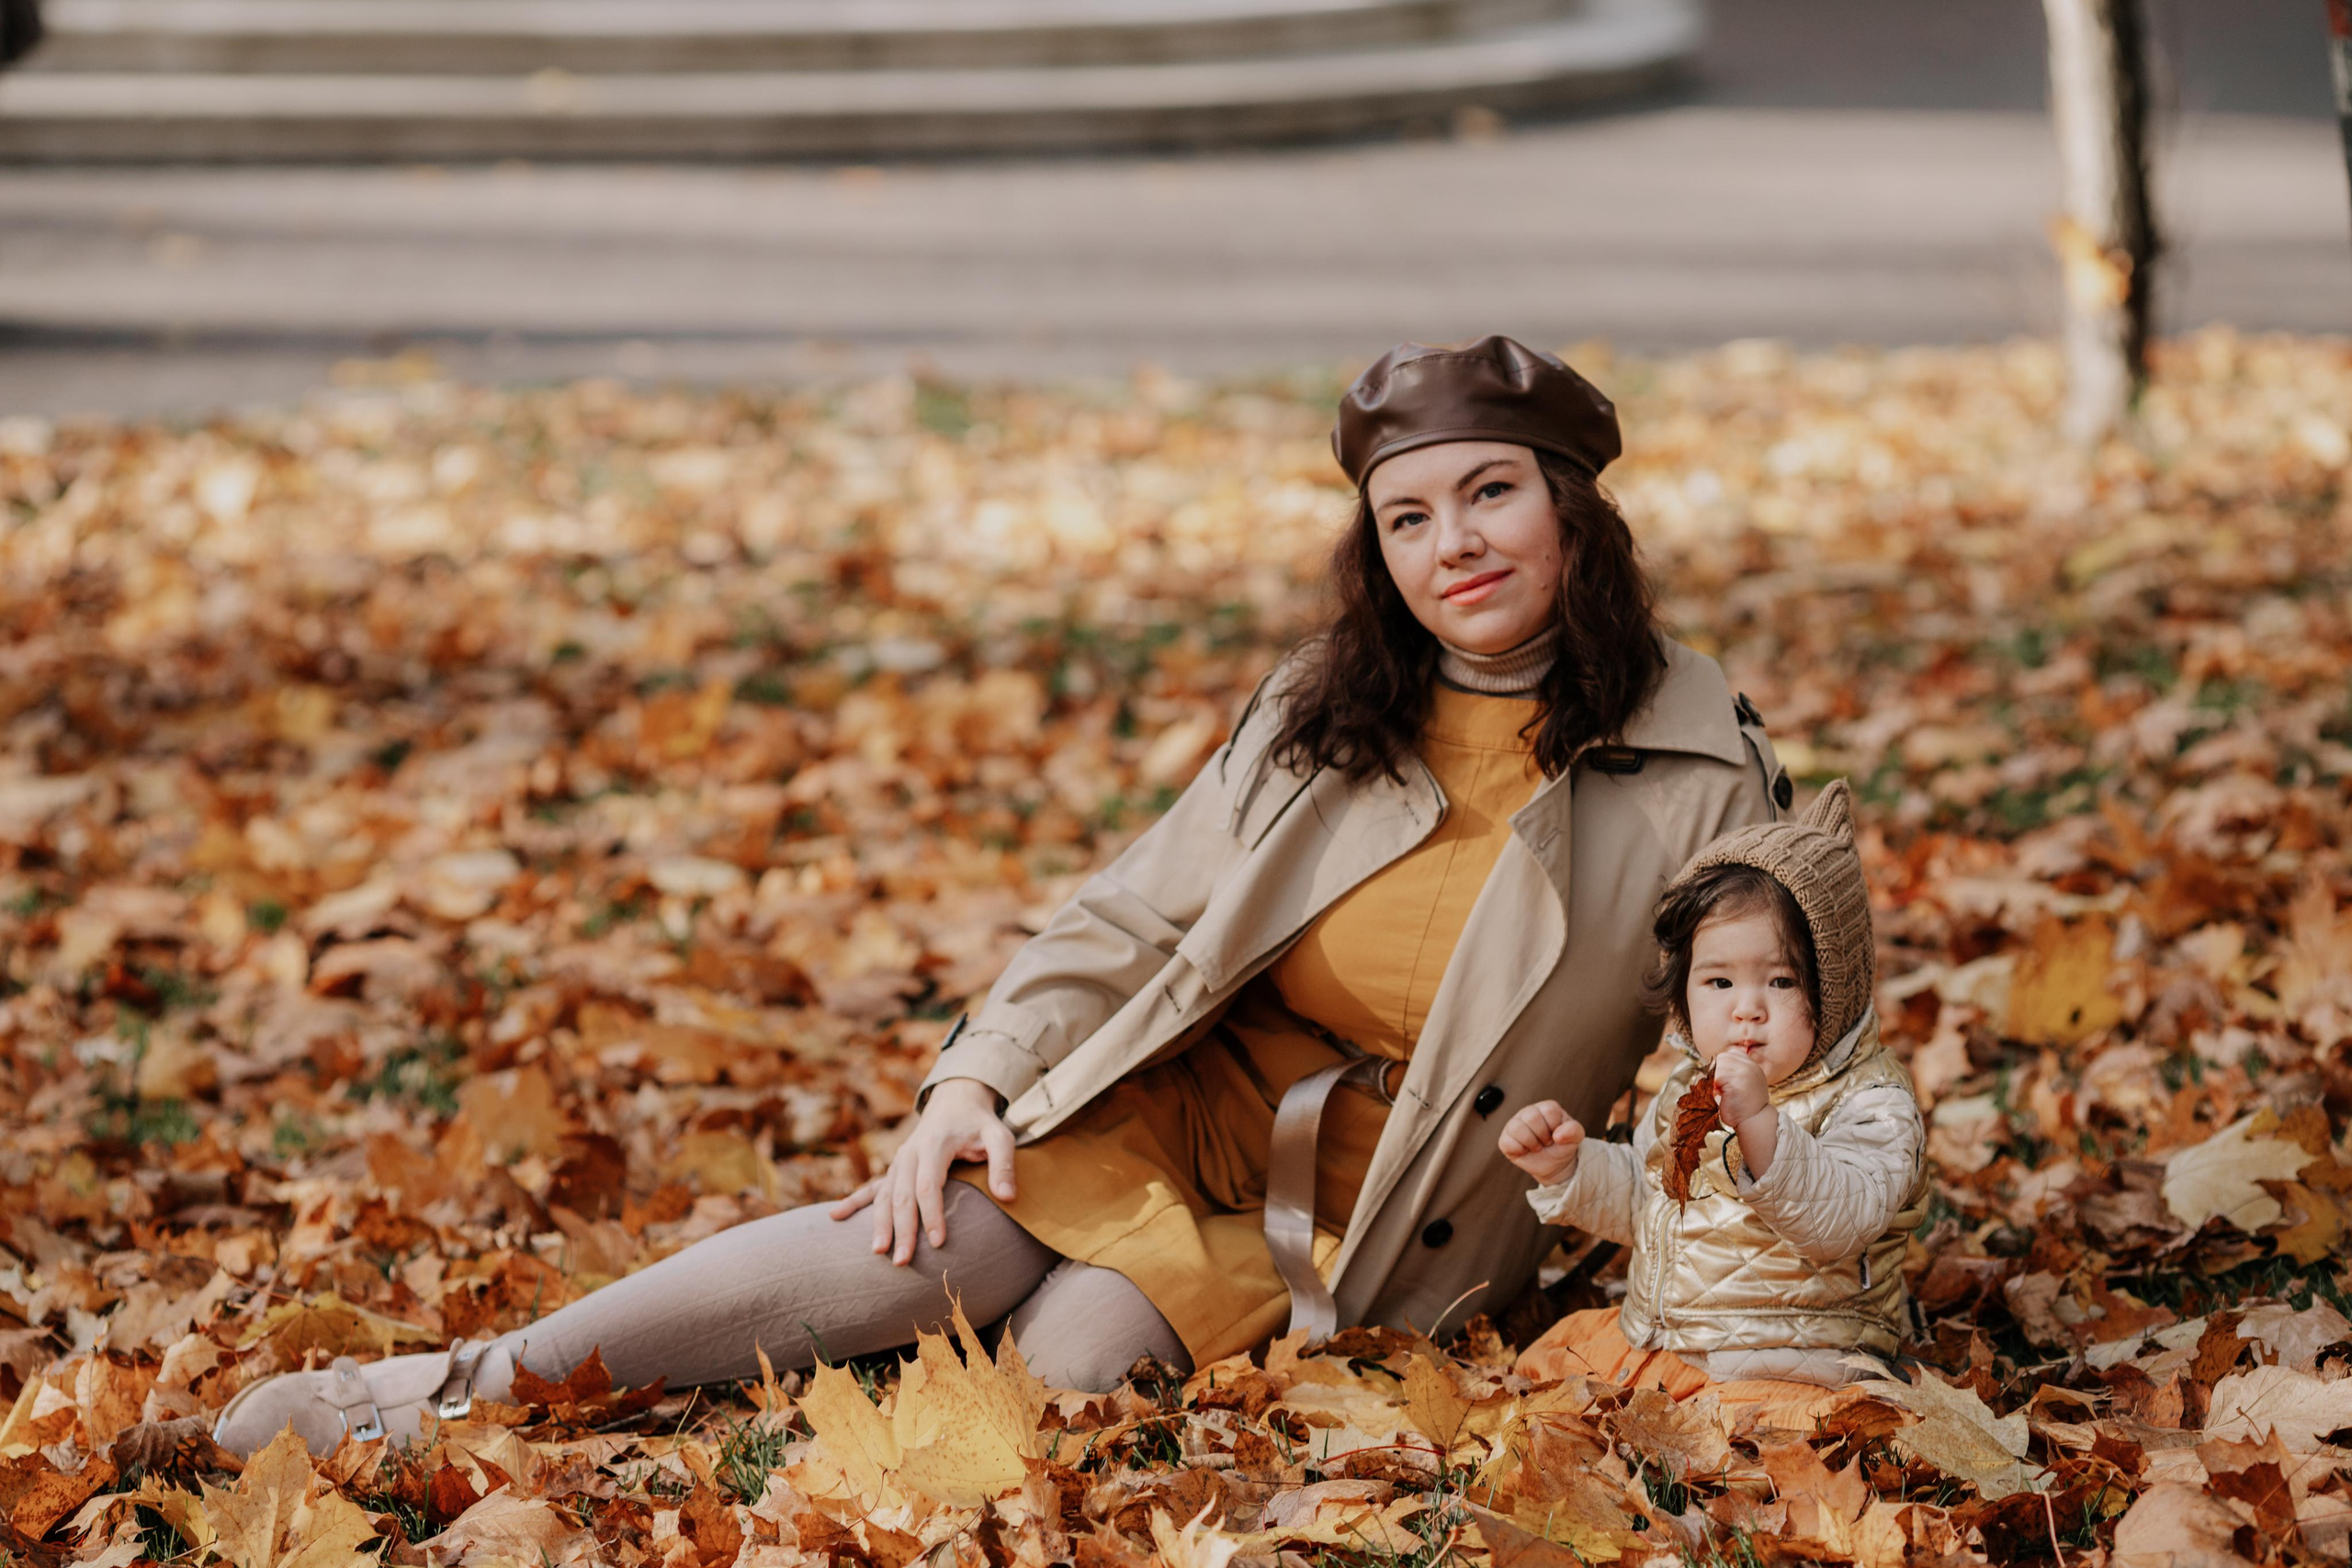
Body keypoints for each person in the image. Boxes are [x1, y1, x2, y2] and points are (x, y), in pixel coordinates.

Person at [214, 335, 1790, 1458]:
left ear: (1573, 507)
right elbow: (1133, 918)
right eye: (1409, 517)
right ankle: (443, 1394)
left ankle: (776, 1449)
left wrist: (1751, 1215)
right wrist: (971, 1075)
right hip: (1194, 1095)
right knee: (935, 1237)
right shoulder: (1334, 700)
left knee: (1061, 1380)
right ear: (1374, 551)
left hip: (1399, 1197)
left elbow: (1773, 1030)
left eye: (1492, 494)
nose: (1455, 545)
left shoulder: (1693, 757)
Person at [1502, 780, 1926, 1425]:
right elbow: (1652, 1196)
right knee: (1552, 1365)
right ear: (1684, 991)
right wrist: (1569, 1166)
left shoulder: (1871, 1098)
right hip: (1676, 1342)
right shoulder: (1689, 1088)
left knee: (1772, 1431)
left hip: (1802, 1359)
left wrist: (1760, 1124)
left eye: (1781, 980)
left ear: (1835, 989)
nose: (1746, 1007)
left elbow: (1841, 1218)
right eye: (1719, 980)